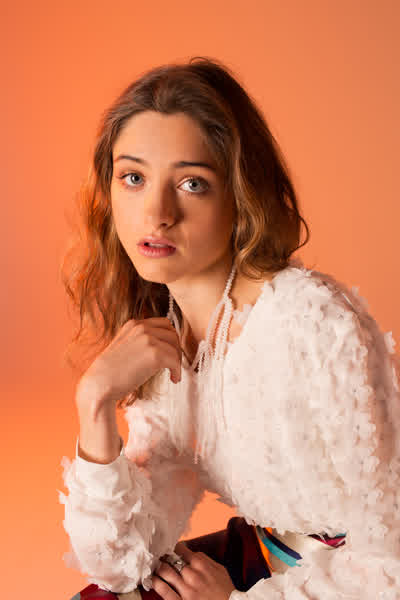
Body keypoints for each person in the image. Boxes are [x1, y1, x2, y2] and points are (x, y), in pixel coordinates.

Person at [59, 56, 400, 600]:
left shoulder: (315, 325)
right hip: (266, 553)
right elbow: (120, 561)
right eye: (134, 177)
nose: (157, 212)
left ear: (241, 196)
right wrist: (94, 400)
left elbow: (392, 559)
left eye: (192, 183)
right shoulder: (167, 333)